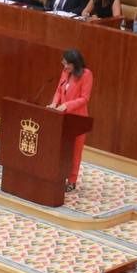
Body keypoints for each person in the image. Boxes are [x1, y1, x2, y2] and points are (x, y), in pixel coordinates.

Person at [48, 48, 92, 190]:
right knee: (61, 148)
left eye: (67, 64)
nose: (64, 66)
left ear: (75, 64)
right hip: (62, 117)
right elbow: (59, 90)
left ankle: (72, 180)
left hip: (77, 119)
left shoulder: (86, 75)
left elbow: (85, 99)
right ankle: (58, 175)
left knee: (75, 151)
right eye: (64, 63)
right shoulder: (65, 72)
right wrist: (55, 103)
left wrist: (66, 105)